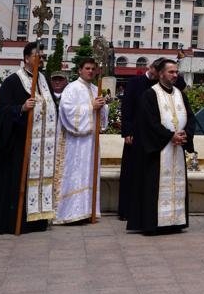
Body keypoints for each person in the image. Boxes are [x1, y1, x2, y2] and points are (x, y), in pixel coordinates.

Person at [0, 41, 58, 234]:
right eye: (38, 56)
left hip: (42, 147)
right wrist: (21, 108)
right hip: (19, 144)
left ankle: (38, 220)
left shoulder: (43, 80)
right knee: (18, 181)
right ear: (26, 58)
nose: (41, 59)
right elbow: (1, 111)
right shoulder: (13, 81)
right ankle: (16, 222)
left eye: (43, 57)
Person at [127, 58, 195, 234]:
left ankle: (175, 221)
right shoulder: (150, 94)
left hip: (178, 148)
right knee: (154, 187)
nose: (175, 75)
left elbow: (191, 117)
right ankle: (155, 223)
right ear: (161, 73)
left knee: (177, 184)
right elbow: (149, 123)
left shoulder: (180, 94)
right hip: (159, 150)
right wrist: (170, 136)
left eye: (176, 72)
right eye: (171, 72)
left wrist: (185, 134)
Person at [53, 58, 108, 224]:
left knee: (88, 173)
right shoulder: (72, 88)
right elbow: (67, 111)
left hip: (90, 142)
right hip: (74, 142)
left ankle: (86, 210)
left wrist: (103, 107)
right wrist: (91, 106)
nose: (90, 71)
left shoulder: (95, 88)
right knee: (74, 173)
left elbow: (102, 119)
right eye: (87, 68)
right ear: (79, 70)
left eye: (93, 68)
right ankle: (69, 212)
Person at [118, 59, 160, 221]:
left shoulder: (161, 85)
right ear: (151, 68)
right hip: (134, 134)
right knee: (131, 172)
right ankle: (127, 210)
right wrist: (127, 131)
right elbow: (127, 107)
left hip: (152, 136)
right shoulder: (135, 82)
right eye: (157, 69)